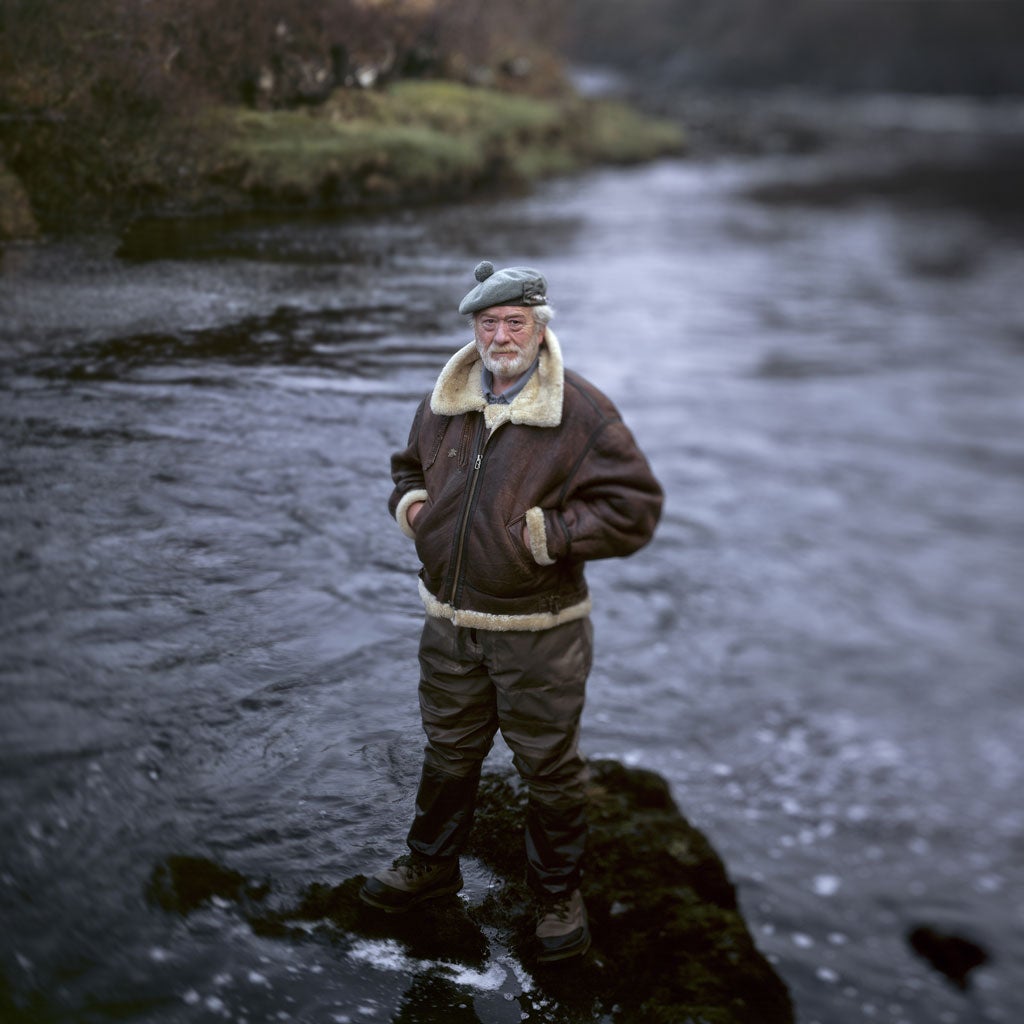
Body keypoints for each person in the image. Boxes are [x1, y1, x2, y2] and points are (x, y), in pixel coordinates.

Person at [359, 260, 663, 962]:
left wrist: (549, 536)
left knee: (548, 767)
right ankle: (431, 866)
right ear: (475, 327)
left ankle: (556, 896)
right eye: (489, 322)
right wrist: (415, 511)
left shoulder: (581, 411)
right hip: (449, 620)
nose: (500, 336)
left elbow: (635, 508)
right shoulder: (445, 399)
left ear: (539, 326)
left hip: (539, 632)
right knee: (448, 748)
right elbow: (407, 469)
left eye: (514, 322)